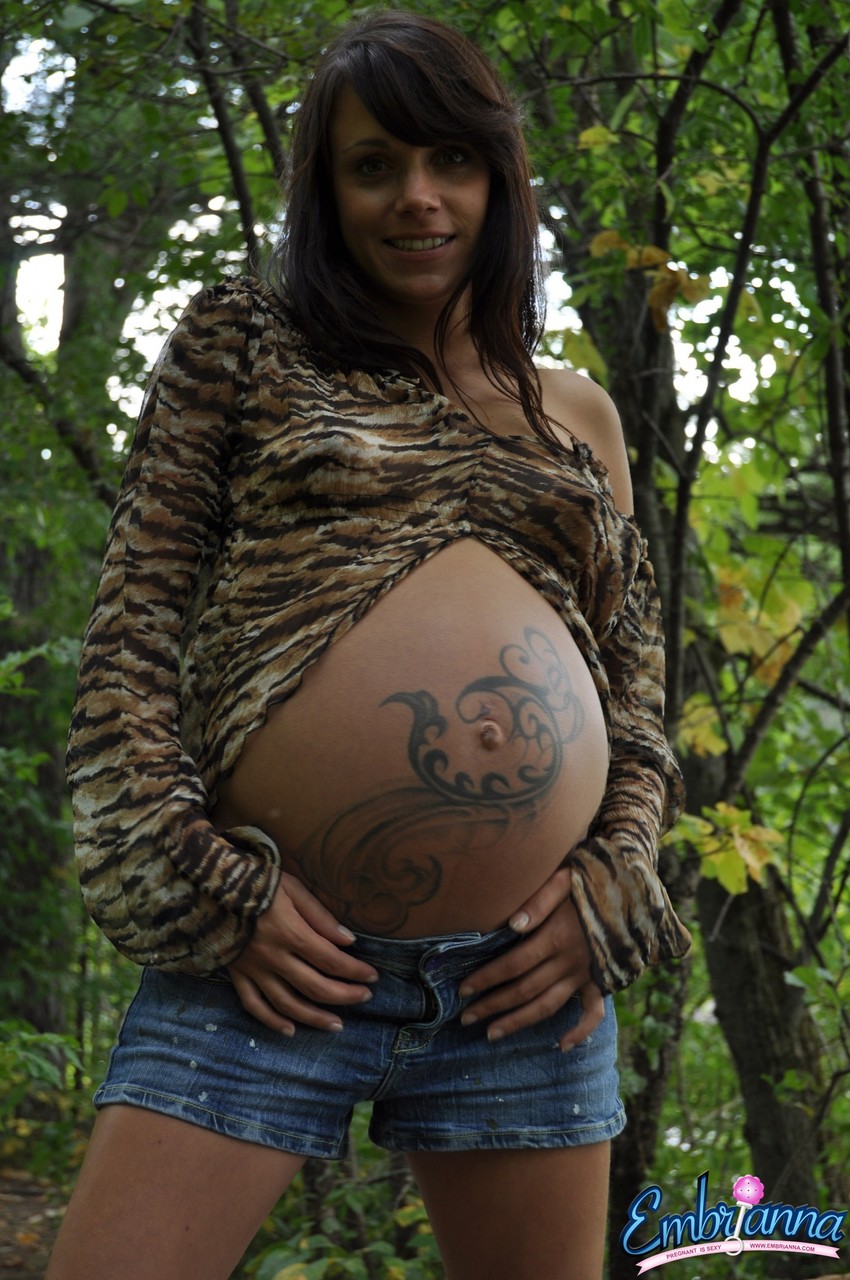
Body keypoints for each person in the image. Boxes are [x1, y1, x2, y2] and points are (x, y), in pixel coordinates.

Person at [48, 10, 691, 1279]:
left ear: (499, 179)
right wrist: (199, 884)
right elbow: (132, 637)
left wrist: (612, 883)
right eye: (373, 164)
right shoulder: (242, 346)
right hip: (262, 957)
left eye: (451, 160)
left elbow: (635, 699)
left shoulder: (577, 414)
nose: (417, 197)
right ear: (325, 190)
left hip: (523, 990)